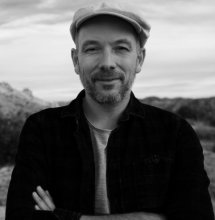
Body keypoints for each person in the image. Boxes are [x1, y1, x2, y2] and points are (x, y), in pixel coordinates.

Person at [5, 2, 214, 220]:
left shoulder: (175, 133)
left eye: (121, 48)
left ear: (140, 59)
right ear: (76, 60)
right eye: (92, 49)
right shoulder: (42, 129)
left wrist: (62, 216)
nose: (107, 63)